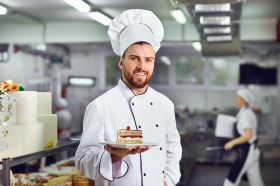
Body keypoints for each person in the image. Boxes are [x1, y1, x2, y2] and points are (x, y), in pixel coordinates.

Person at [75, 9, 182, 186]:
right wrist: (112, 156)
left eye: (149, 60)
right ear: (121, 62)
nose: (142, 66)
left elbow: (173, 150)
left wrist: (167, 181)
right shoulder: (101, 106)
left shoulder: (165, 104)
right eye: (134, 58)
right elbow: (82, 160)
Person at [223, 89, 265, 186]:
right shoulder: (247, 112)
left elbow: (248, 135)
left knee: (230, 180)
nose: (235, 99)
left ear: (243, 99)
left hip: (247, 152)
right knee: (256, 181)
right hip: (252, 151)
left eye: (237, 97)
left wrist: (232, 143)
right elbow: (255, 134)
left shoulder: (245, 114)